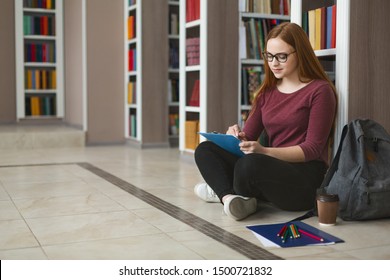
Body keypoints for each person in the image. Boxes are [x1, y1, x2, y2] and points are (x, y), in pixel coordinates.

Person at [193, 22, 337, 221]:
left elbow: (312, 149)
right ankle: (229, 198)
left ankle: (223, 188)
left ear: (300, 53)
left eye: (281, 56)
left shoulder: (320, 91)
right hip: (268, 165)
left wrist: (264, 151)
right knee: (205, 149)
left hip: (304, 177)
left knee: (249, 166)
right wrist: (235, 136)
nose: (274, 63)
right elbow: (249, 136)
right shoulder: (267, 92)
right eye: (269, 56)